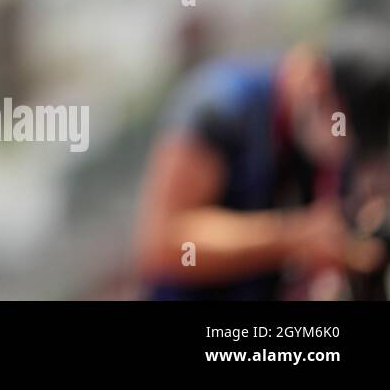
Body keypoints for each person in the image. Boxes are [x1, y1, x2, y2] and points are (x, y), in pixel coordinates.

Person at [134, 21, 390, 299]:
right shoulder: (222, 104)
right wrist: (295, 237)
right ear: (318, 85)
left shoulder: (314, 144)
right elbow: (164, 243)